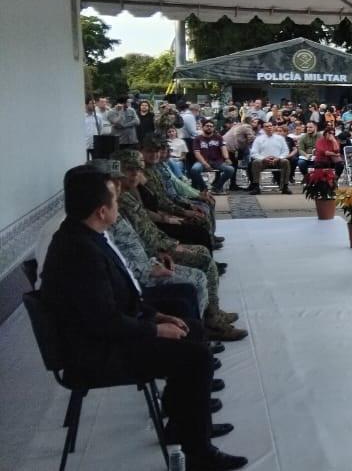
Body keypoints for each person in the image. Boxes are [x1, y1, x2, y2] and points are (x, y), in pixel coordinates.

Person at [39, 166, 247, 470]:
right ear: (101, 211)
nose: (118, 203)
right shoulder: (79, 251)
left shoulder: (84, 234)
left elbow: (121, 297)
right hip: (95, 353)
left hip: (106, 336)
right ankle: (199, 452)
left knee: (194, 329)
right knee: (195, 355)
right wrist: (155, 330)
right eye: (114, 199)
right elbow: (104, 321)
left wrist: (157, 314)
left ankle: (184, 425)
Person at [248, 124, 293, 195]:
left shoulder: (280, 138)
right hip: (263, 161)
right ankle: (256, 187)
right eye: (267, 126)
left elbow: (286, 151)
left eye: (271, 126)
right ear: (263, 128)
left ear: (273, 127)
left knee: (286, 161)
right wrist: (263, 158)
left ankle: (285, 186)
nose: (269, 128)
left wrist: (279, 158)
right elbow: (254, 152)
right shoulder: (258, 139)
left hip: (277, 160)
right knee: (255, 162)